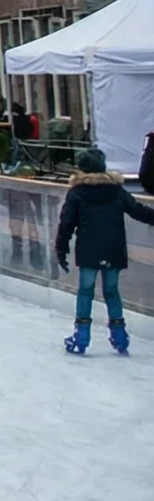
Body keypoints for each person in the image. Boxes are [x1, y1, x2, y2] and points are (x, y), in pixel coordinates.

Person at [54, 147, 154, 355]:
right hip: (113, 249)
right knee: (111, 291)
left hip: (89, 250)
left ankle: (81, 336)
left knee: (85, 291)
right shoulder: (116, 191)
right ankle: (120, 337)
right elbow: (138, 210)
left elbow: (66, 223)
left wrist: (61, 248)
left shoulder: (77, 192)